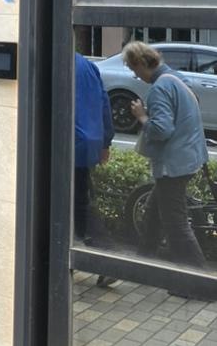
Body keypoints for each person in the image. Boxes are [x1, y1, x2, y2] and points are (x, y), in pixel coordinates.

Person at [123, 41, 208, 270]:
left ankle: (199, 279)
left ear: (141, 63)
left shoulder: (159, 88)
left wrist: (142, 116)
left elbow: (162, 130)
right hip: (188, 158)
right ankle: (143, 265)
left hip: (173, 165)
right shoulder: (175, 77)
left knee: (176, 225)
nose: (136, 75)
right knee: (152, 216)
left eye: (133, 69)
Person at [74, 52, 114, 249]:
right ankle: (87, 239)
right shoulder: (88, 66)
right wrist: (106, 141)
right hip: (90, 141)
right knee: (81, 193)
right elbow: (104, 103)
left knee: (74, 197)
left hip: (69, 142)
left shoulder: (57, 63)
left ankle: (87, 242)